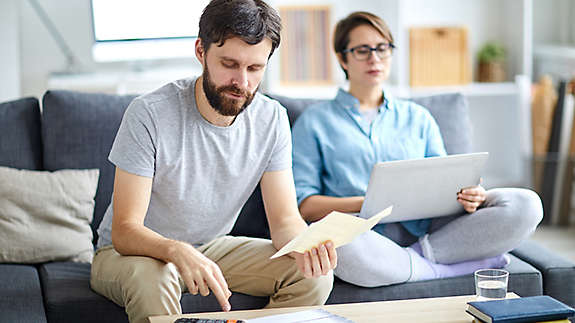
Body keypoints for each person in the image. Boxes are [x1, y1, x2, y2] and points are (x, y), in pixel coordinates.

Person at [90, 1, 337, 322]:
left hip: (212, 248)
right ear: (200, 51)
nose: (242, 82)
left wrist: (306, 245)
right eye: (229, 64)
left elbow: (285, 221)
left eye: (254, 69)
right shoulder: (149, 113)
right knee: (157, 277)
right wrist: (177, 251)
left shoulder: (273, 119)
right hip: (131, 255)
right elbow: (125, 231)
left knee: (312, 274)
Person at [291, 11, 542, 288]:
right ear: (342, 58)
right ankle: (442, 268)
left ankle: (414, 261)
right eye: (362, 50)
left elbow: (447, 181)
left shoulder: (417, 117)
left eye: (382, 48)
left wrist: (469, 194)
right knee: (332, 243)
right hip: (364, 234)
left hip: (430, 229)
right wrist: (370, 204)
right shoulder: (314, 121)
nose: (374, 58)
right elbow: (305, 206)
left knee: (526, 204)